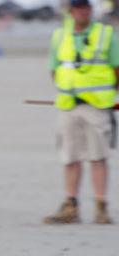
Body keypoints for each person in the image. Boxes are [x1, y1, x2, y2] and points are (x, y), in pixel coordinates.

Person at [45, 0, 116, 224]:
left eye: (86, 7)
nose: (83, 11)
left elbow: (116, 69)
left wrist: (102, 94)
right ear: (71, 11)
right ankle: (71, 205)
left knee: (98, 157)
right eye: (78, 7)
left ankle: (100, 206)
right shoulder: (59, 36)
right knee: (70, 157)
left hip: (96, 106)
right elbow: (54, 69)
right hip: (68, 105)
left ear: (91, 9)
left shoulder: (106, 34)